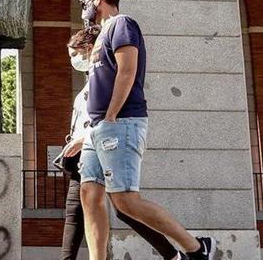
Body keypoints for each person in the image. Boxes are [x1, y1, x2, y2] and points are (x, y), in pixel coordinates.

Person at [78, 0, 216, 260]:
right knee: (89, 195)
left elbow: (127, 70)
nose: (83, 9)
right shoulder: (101, 35)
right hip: (97, 129)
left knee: (125, 200)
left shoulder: (122, 24)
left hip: (120, 123)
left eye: (84, 2)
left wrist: (112, 114)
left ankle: (197, 249)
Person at [61, 26, 181, 260]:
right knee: (75, 212)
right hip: (84, 157)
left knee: (124, 208)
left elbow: (108, 117)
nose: (73, 61)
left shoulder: (103, 80)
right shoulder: (90, 82)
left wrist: (83, 138)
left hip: (104, 147)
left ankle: (174, 254)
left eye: (75, 54)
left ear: (89, 49)